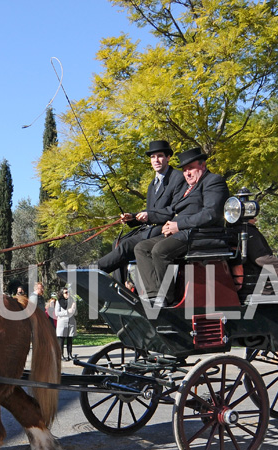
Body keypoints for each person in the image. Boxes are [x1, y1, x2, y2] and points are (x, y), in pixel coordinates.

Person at [133, 147, 229, 307]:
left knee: (160, 250)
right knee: (141, 248)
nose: (187, 173)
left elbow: (211, 214)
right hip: (181, 233)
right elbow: (171, 210)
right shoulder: (187, 188)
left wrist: (178, 225)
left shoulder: (213, 181)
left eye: (191, 168)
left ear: (203, 166)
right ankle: (153, 294)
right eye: (184, 170)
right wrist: (152, 219)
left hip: (201, 234)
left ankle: (166, 299)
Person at [96, 140, 187, 280]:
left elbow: (174, 210)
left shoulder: (178, 177)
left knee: (126, 245)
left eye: (160, 156)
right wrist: (132, 217)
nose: (156, 160)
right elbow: (151, 210)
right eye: (152, 157)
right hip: (149, 227)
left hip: (165, 227)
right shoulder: (152, 184)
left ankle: (93, 270)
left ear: (168, 157)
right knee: (117, 242)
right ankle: (119, 287)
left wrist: (149, 216)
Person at [55, 287, 77, 360]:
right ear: (62, 294)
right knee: (61, 339)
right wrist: (67, 311)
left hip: (71, 322)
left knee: (70, 339)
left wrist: (74, 308)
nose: (68, 294)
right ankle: (61, 355)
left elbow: (75, 312)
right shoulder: (59, 302)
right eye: (66, 292)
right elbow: (57, 313)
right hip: (62, 322)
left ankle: (70, 354)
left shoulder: (72, 300)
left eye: (68, 292)